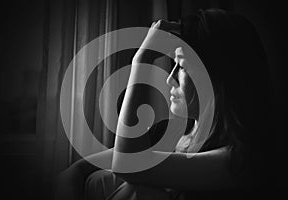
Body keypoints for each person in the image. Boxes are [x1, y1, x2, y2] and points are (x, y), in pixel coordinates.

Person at [55, 9, 273, 200]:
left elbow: (128, 164)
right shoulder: (168, 133)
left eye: (181, 67)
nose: (170, 78)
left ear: (218, 77)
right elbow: (75, 172)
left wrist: (140, 62)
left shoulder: (239, 161)